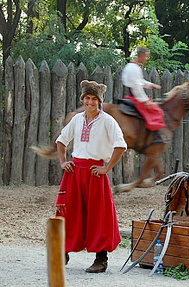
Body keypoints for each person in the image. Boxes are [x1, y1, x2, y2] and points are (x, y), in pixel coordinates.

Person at [55, 80, 127, 273]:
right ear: (83, 99)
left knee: (98, 214)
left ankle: (101, 259)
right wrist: (63, 161)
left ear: (99, 101)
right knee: (67, 211)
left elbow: (120, 145)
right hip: (74, 173)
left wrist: (106, 168)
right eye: (87, 98)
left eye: (94, 99)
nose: (90, 102)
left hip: (95, 173)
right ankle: (63, 252)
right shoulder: (77, 119)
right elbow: (61, 140)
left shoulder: (107, 121)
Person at [121, 47, 167, 142]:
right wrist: (145, 100)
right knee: (157, 111)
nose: (146, 58)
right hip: (135, 96)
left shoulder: (133, 66)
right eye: (146, 56)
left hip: (134, 95)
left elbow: (139, 82)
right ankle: (154, 136)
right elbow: (136, 86)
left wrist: (151, 85)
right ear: (141, 55)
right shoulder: (133, 68)